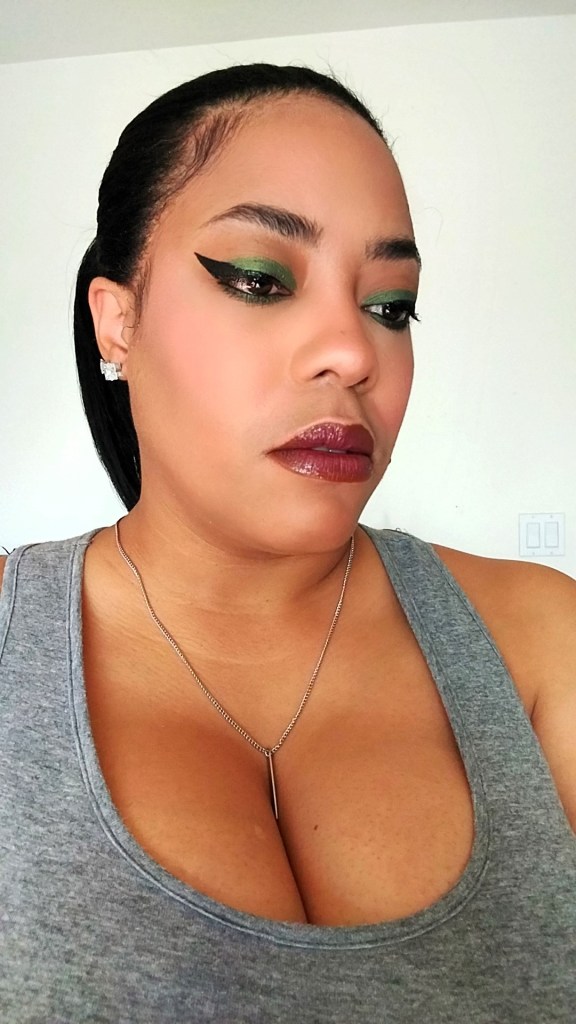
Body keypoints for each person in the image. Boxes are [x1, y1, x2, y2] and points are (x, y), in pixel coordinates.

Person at [0, 63, 574, 1023]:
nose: (353, 352)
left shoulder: (543, 642)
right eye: (260, 280)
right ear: (119, 321)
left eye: (390, 306)